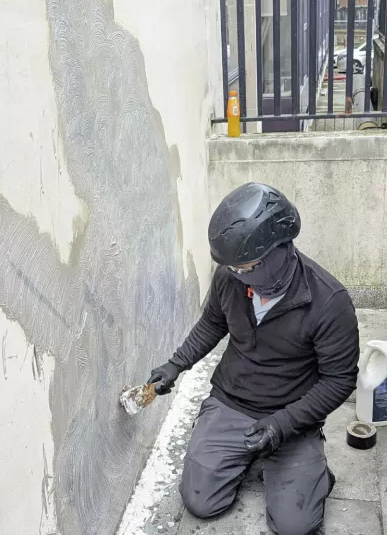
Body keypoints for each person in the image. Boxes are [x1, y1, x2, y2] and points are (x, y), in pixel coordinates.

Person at [146, 183, 359, 535]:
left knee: (295, 527)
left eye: (246, 266)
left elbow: (339, 380)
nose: (236, 273)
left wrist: (283, 425)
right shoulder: (230, 278)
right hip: (234, 400)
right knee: (201, 502)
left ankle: (310, 469)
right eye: (232, 267)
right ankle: (241, 453)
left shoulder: (328, 300)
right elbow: (212, 324)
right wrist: (176, 365)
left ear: (279, 250)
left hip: (291, 415)